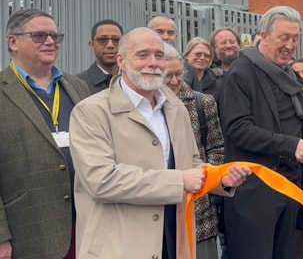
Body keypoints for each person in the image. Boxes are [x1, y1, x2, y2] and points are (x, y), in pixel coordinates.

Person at [69, 27, 251, 258]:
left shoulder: (176, 108)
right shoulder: (90, 112)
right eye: (143, 55)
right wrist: (179, 181)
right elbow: (101, 180)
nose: (153, 63)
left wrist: (219, 178)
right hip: (119, 245)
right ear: (121, 61)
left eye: (159, 55)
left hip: (173, 237)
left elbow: (191, 163)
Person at [218, 6, 303, 259]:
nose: (290, 45)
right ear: (263, 37)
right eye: (283, 38)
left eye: (295, 38)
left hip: (287, 189)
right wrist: (291, 145)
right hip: (254, 195)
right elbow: (237, 129)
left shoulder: (288, 75)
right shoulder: (241, 73)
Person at [0, 8, 90, 258]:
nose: (50, 41)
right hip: (28, 230)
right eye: (39, 36)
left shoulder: (77, 86)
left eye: (54, 35)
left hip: (84, 223)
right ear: (13, 41)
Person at [163, 43, 225, 259]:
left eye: (178, 74)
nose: (174, 81)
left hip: (198, 206)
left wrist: (204, 181)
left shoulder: (202, 102)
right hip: (159, 205)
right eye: (167, 75)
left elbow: (216, 148)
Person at [147, 15, 202, 91]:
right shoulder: (139, 64)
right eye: (159, 32)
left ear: (176, 37)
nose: (165, 37)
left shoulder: (189, 69)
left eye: (170, 33)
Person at [76, 19, 123, 94]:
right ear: (92, 45)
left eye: (116, 40)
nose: (110, 45)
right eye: (102, 40)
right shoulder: (77, 84)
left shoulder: (134, 80)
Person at [209, 27, 242, 100]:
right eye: (223, 43)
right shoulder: (207, 74)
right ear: (214, 48)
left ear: (239, 45)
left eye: (232, 42)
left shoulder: (248, 69)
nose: (229, 46)